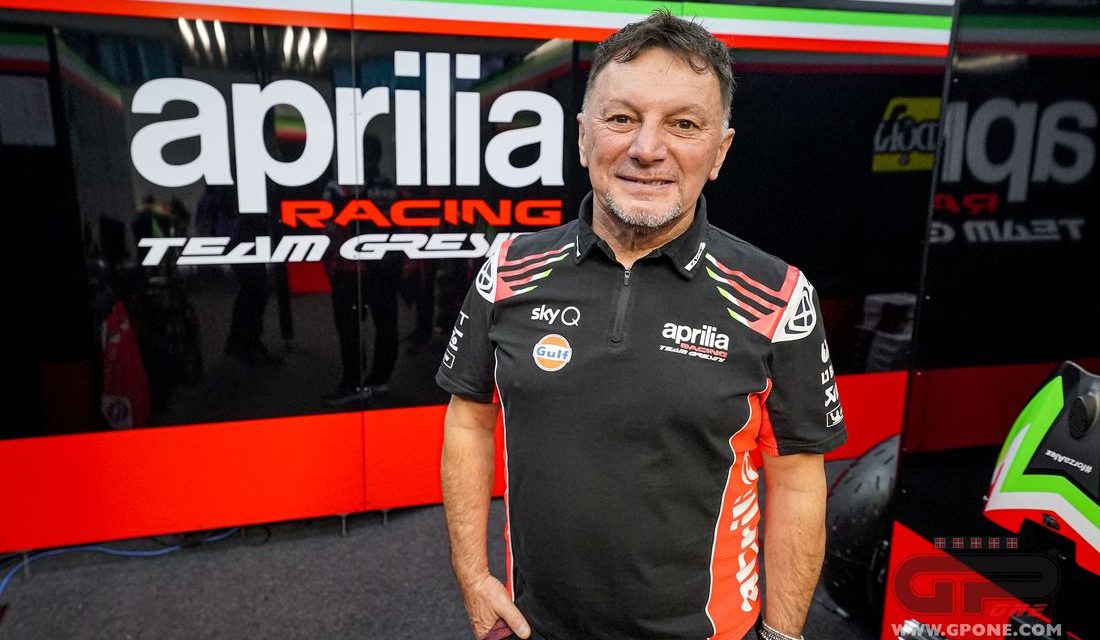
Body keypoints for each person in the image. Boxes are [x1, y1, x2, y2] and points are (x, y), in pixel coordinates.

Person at [437, 9, 847, 640]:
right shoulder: (509, 268)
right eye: (622, 118)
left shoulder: (778, 296)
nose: (647, 149)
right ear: (583, 137)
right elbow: (468, 421)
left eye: (684, 124)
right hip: (533, 626)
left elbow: (796, 483)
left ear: (719, 151)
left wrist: (782, 635)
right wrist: (472, 575)